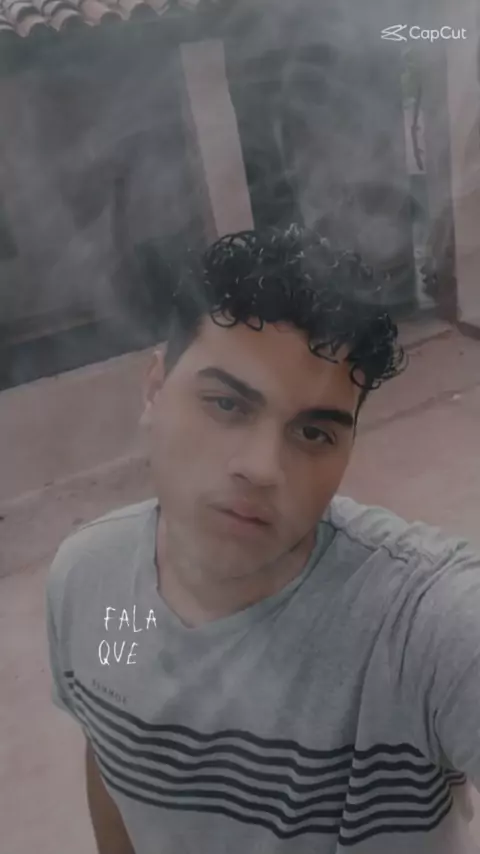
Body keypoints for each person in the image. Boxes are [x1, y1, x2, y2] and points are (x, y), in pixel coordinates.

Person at [46, 226, 480, 854]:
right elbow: (113, 740)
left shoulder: (423, 627)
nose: (262, 468)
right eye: (227, 405)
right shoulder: (96, 583)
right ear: (154, 389)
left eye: (313, 434)